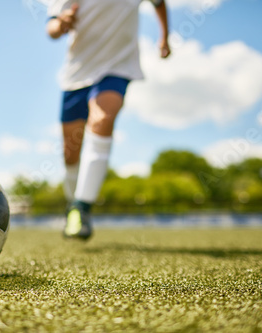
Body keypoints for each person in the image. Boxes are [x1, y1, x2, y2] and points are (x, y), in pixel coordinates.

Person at [46, 0, 170, 240]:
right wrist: (60, 24)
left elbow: (159, 3)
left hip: (117, 68)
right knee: (70, 151)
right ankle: (73, 204)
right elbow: (50, 27)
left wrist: (164, 36)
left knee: (102, 119)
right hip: (77, 74)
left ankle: (82, 207)